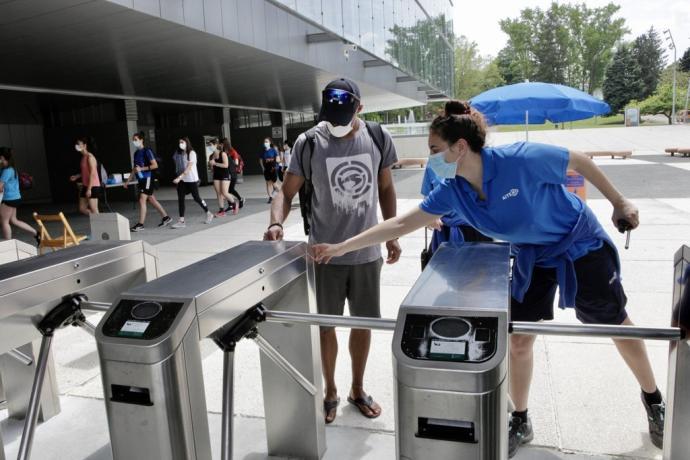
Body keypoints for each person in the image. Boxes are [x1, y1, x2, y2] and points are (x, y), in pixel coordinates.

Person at [312, 100, 665, 457]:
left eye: (435, 150)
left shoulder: (519, 159)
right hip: (533, 254)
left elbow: (578, 160)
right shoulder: (452, 190)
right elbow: (402, 223)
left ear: (460, 147)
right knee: (518, 340)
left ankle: (654, 400)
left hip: (579, 242)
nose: (431, 158)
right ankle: (521, 419)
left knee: (615, 323)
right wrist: (342, 247)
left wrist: (619, 202)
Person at [264, 78, 401, 424]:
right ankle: (330, 390)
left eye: (343, 114)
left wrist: (392, 233)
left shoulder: (377, 136)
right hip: (324, 256)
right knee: (326, 326)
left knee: (363, 323)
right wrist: (276, 222)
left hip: (366, 254)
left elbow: (386, 187)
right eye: (330, 114)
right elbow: (285, 191)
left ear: (359, 107)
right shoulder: (308, 142)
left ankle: (357, 387)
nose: (335, 122)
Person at [123, 131, 171, 232]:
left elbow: (155, 165)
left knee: (142, 199)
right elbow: (135, 168)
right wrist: (128, 181)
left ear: (141, 140)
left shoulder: (147, 151)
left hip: (148, 178)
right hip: (141, 179)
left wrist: (143, 169)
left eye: (135, 140)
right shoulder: (136, 153)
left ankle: (140, 224)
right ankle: (166, 217)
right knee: (152, 199)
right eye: (133, 140)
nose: (134, 142)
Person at [171, 137, 213, 228]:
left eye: (182, 142)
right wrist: (180, 178)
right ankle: (181, 221)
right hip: (183, 180)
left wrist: (179, 178)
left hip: (191, 180)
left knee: (196, 198)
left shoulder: (192, 153)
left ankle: (208, 213)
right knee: (181, 198)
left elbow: (188, 169)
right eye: (179, 142)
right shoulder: (180, 153)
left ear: (186, 143)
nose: (180, 144)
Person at [0, 147, 39, 244]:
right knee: (13, 220)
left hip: (9, 199)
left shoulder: (7, 171)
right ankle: (36, 233)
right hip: (15, 198)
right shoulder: (11, 169)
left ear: (2, 157)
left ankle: (8, 244)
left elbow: (0, 187)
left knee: (4, 222)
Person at [69, 136, 101, 215]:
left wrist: (89, 189)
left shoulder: (90, 157)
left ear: (85, 145)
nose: (77, 145)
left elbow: (92, 173)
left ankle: (100, 224)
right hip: (85, 185)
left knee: (94, 209)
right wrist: (77, 176)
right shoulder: (83, 157)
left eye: (79, 144)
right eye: (76, 144)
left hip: (93, 186)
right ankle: (96, 220)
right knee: (82, 208)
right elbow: (85, 172)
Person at [208, 141, 238, 217]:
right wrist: (211, 165)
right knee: (218, 194)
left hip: (224, 174)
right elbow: (212, 169)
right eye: (208, 145)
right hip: (216, 175)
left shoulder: (223, 154)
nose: (210, 147)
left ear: (216, 145)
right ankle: (221, 210)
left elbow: (226, 165)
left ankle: (234, 203)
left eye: (211, 145)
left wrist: (215, 163)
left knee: (224, 192)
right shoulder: (211, 156)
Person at [222, 139, 245, 209]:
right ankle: (234, 203)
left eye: (221, 144)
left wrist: (228, 161)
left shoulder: (233, 152)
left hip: (232, 173)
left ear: (224, 144)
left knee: (229, 190)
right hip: (227, 173)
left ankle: (237, 201)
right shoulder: (223, 152)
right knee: (229, 190)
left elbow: (236, 163)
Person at [260, 138, 280, 203]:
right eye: (264, 142)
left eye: (267, 141)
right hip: (266, 169)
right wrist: (263, 168)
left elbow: (277, 158)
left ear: (270, 142)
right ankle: (270, 197)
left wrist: (274, 162)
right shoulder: (263, 151)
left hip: (273, 168)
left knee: (274, 184)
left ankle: (282, 194)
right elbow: (260, 160)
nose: (265, 143)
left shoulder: (273, 150)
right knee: (268, 183)